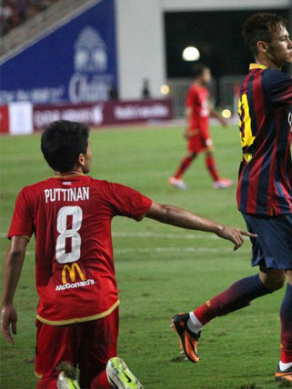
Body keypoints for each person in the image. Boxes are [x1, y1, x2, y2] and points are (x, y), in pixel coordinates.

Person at [171, 7, 292, 384]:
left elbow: (265, 140)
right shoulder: (273, 81)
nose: (291, 43)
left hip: (256, 187)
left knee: (273, 277)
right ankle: (289, 365)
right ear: (264, 46)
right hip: (268, 194)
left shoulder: (251, 81)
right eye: (283, 38)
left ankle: (192, 321)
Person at [1, 120, 253, 389]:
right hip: (101, 303)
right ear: (81, 158)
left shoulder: (30, 196)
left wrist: (7, 303)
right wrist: (219, 227)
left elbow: (17, 250)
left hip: (56, 308)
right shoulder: (105, 191)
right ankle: (110, 380)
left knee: (50, 379)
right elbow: (165, 211)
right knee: (96, 375)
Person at [169, 64, 232, 190]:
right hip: (198, 129)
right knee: (208, 151)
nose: (209, 77)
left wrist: (219, 119)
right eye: (207, 74)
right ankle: (217, 181)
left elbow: (207, 109)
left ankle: (176, 178)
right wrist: (187, 128)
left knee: (193, 154)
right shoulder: (193, 90)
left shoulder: (203, 90)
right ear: (200, 76)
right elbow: (189, 110)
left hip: (202, 128)